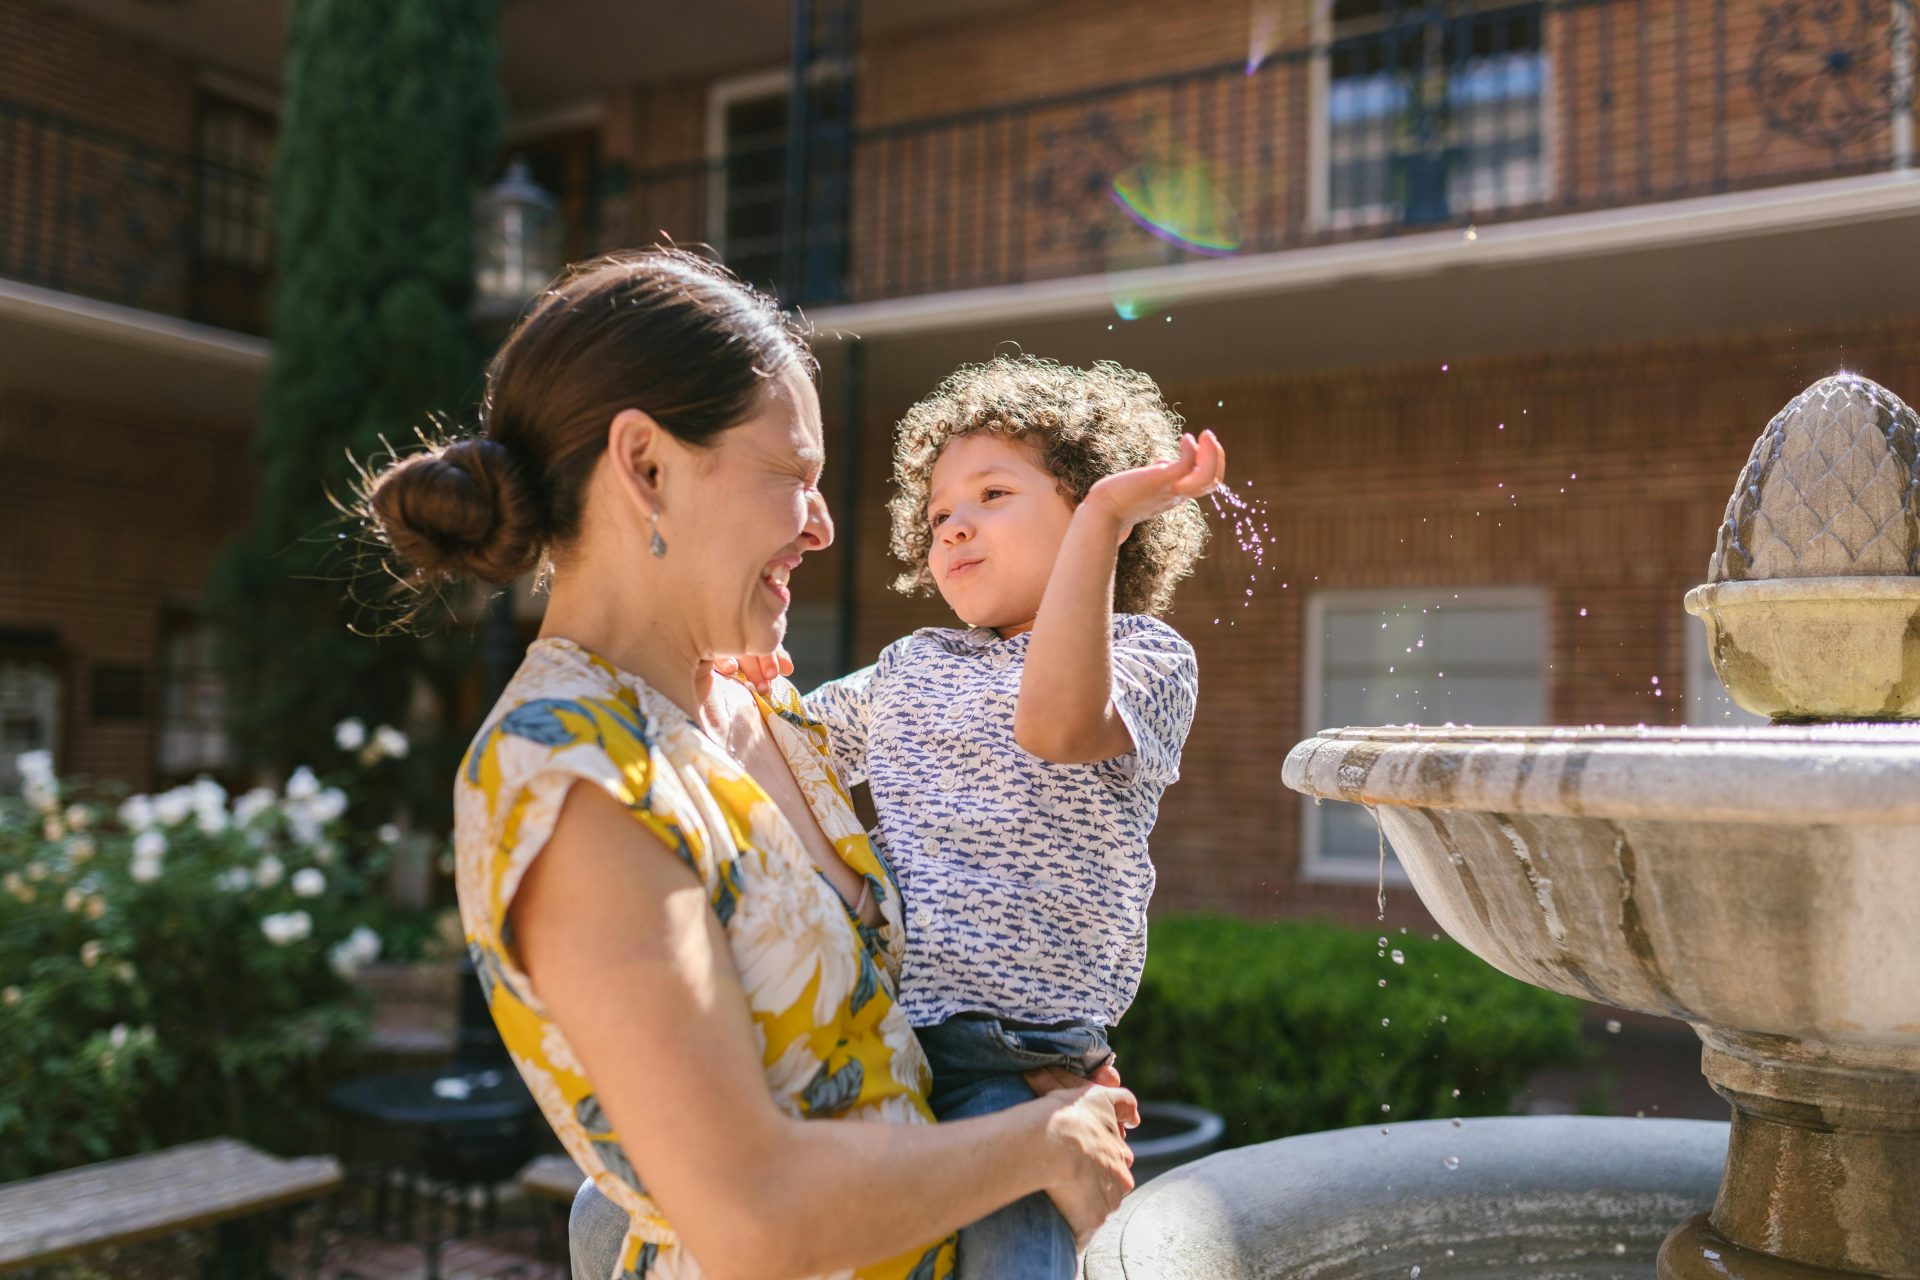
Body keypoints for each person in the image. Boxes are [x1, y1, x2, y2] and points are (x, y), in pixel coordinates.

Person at [362, 250, 1137, 1280]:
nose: (821, 525)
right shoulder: (570, 778)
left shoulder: (762, 702)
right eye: (794, 478)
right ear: (646, 466)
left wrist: (1022, 1065)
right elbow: (749, 1215)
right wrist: (1041, 1143)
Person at [730, 356, 1223, 1278]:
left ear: (1091, 514)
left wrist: (1107, 523)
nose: (953, 524)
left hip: (1023, 1069)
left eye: (993, 493)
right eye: (938, 513)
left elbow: (1055, 724)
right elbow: (791, 752)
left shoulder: (1146, 656)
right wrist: (752, 682)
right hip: (885, 1033)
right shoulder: (912, 665)